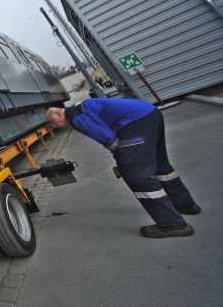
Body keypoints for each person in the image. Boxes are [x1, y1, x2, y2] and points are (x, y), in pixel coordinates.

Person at [46, 98, 200, 238]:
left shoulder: (75, 115)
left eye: (53, 121)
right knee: (159, 164)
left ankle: (173, 224)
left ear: (60, 113)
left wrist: (123, 158)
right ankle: (185, 204)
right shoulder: (80, 107)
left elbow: (105, 136)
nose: (55, 126)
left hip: (135, 122)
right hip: (150, 114)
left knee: (135, 173)